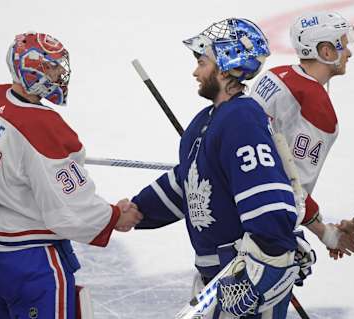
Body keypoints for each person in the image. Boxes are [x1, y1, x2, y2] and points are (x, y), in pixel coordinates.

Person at [0, 32, 142, 319]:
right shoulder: (46, 129)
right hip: (23, 259)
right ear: (33, 70)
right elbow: (69, 211)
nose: (61, 73)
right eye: (53, 67)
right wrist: (114, 217)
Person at [130, 18, 310, 318]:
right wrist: (137, 209)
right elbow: (188, 180)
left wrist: (261, 273)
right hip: (216, 280)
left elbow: (269, 205)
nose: (195, 71)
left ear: (226, 66)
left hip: (244, 282)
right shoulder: (204, 122)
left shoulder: (243, 119)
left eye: (202, 62)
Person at [249, 12, 354, 257]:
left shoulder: (275, 74)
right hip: (258, 220)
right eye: (342, 44)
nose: (349, 53)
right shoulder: (316, 107)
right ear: (326, 51)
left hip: (236, 195)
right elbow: (292, 185)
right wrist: (324, 231)